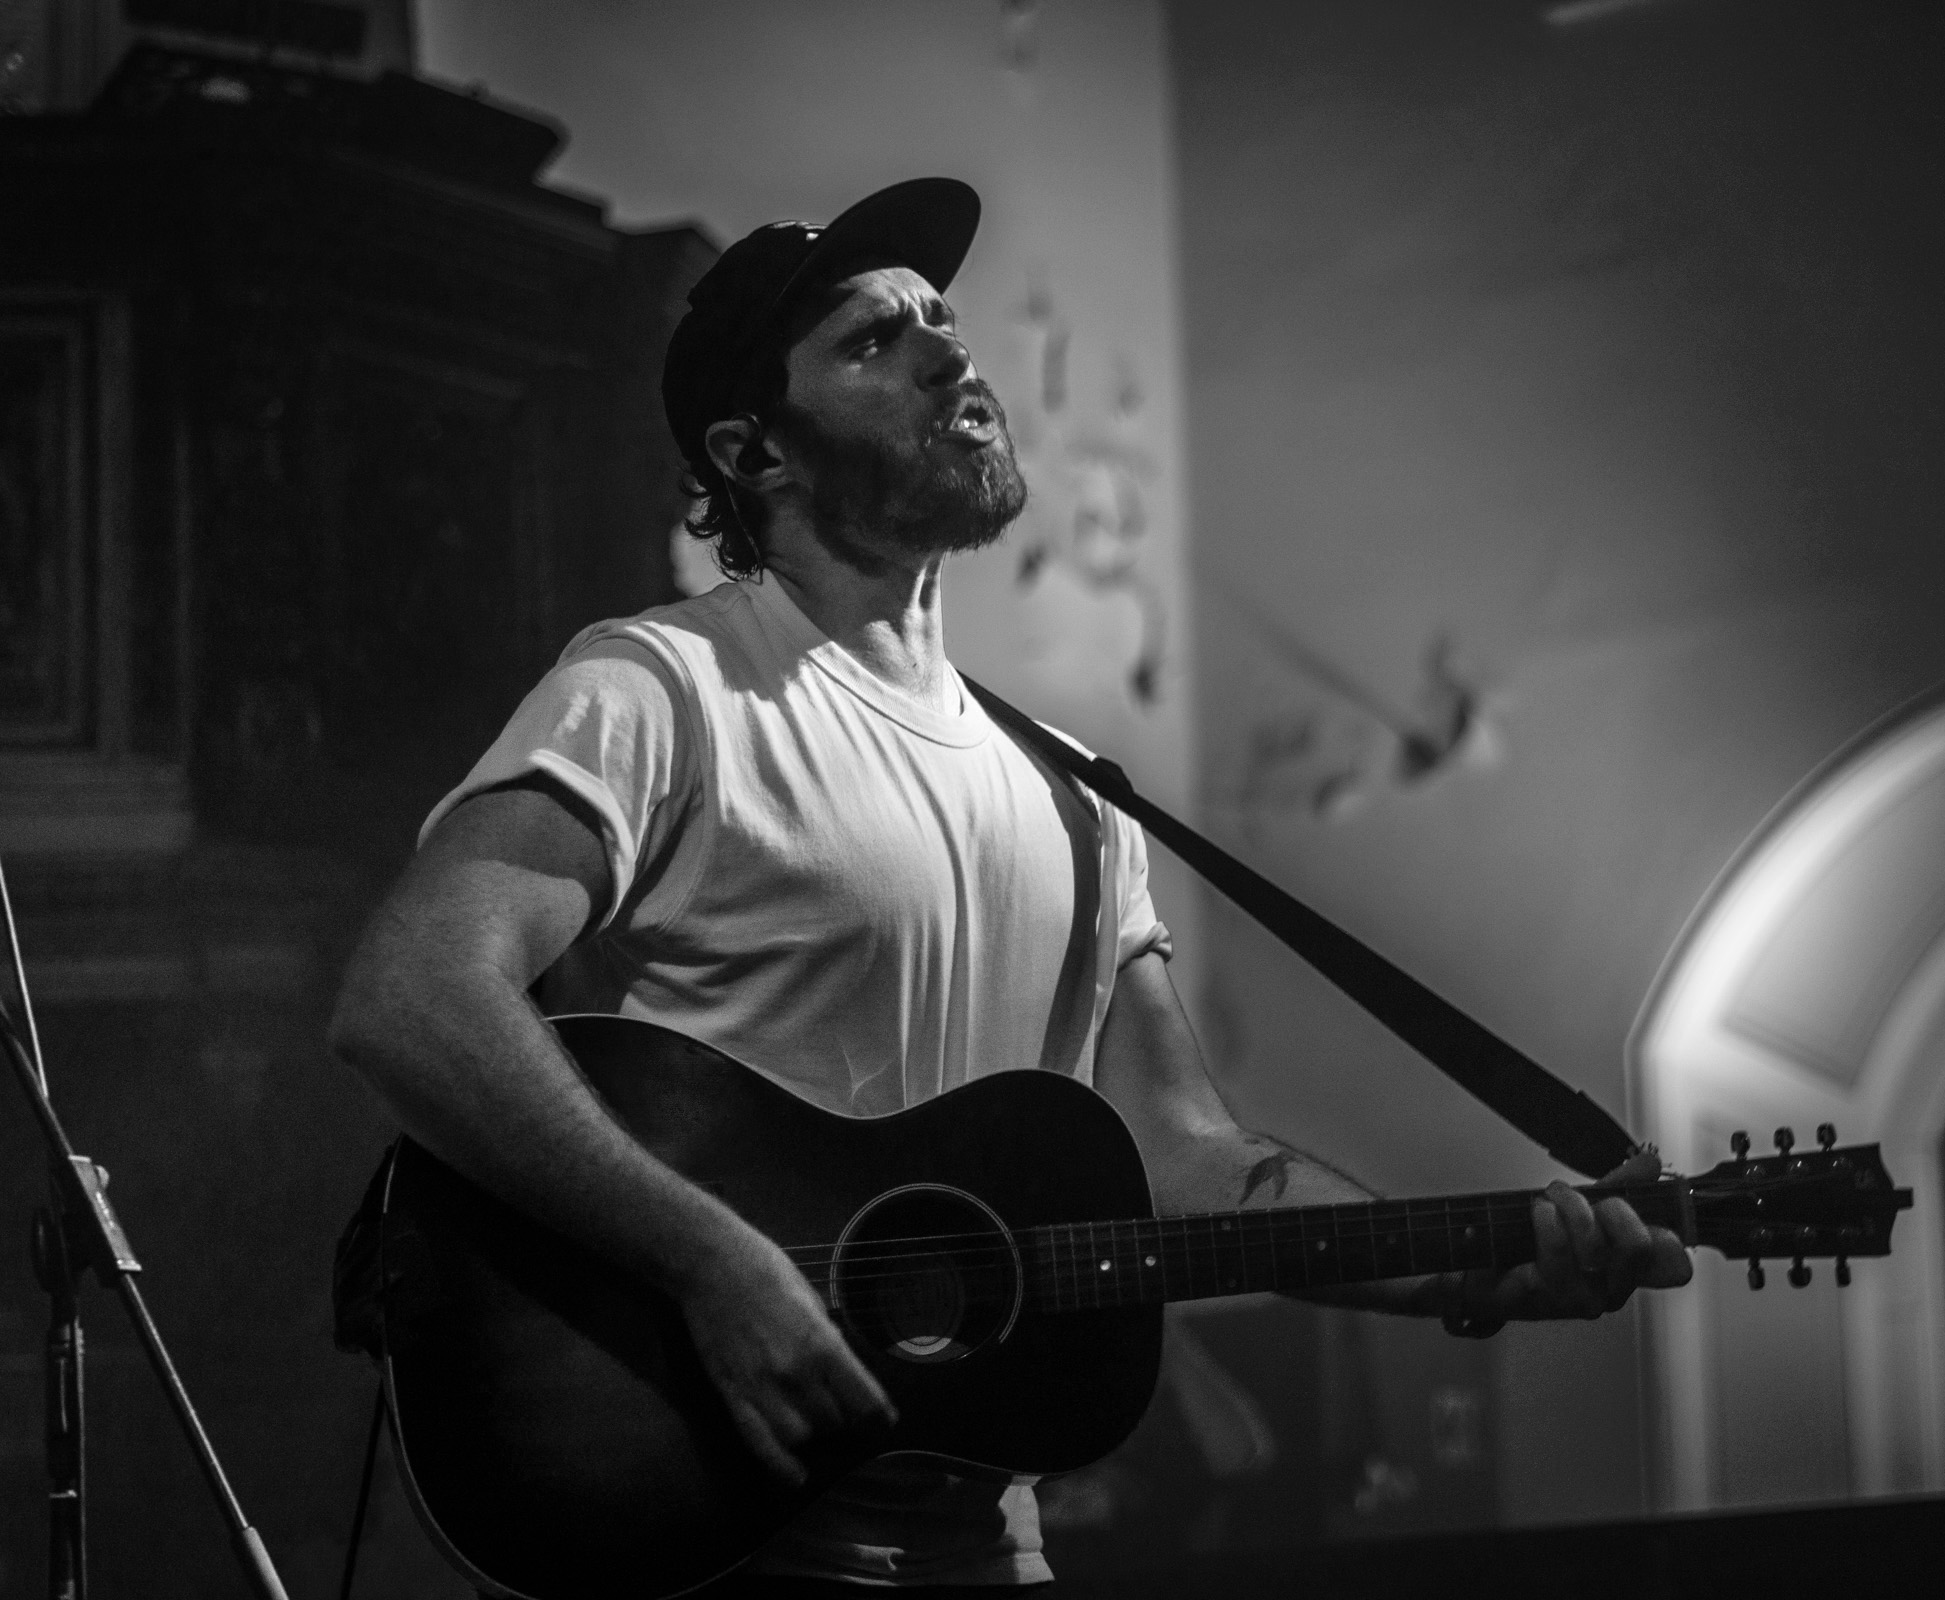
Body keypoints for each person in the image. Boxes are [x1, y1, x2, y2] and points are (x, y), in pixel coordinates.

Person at [328, 177, 1691, 1595]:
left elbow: (1186, 1166)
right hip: (703, 1535)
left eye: (944, 324)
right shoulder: (668, 688)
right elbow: (411, 997)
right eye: (872, 344)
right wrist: (708, 1263)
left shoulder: (1077, 792)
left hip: (983, 1542)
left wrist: (1477, 1264)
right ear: (755, 453)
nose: (948, 358)